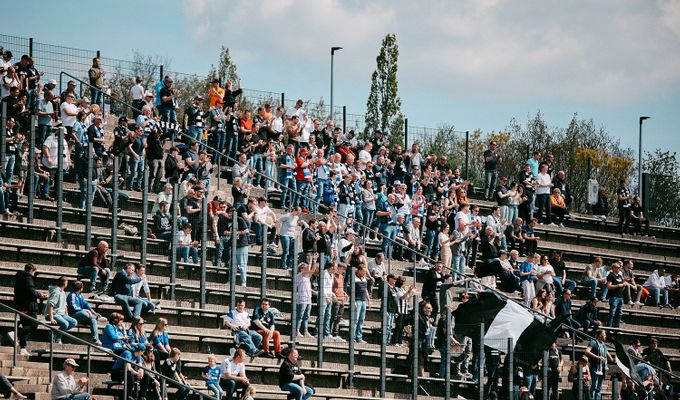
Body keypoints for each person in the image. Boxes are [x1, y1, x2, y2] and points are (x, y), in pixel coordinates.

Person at [12, 263, 46, 356]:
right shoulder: (28, 278)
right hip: (28, 306)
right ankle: (15, 333)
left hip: (21, 305)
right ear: (31, 271)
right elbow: (30, 292)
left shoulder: (20, 278)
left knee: (26, 326)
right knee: (33, 325)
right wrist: (39, 294)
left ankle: (23, 348)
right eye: (34, 272)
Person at [44, 276, 77, 344]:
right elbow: (50, 305)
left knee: (74, 322)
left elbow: (65, 305)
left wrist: (67, 315)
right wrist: (52, 318)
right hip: (54, 314)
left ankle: (55, 333)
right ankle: (58, 337)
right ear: (64, 283)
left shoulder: (63, 292)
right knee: (65, 324)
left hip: (62, 314)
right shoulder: (56, 292)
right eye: (67, 282)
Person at [584, 330, 613, 400]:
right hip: (595, 367)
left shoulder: (603, 344)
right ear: (600, 335)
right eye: (604, 334)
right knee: (594, 386)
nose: (605, 336)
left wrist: (612, 360)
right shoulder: (593, 342)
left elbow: (607, 353)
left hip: (602, 369)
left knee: (599, 388)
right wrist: (597, 357)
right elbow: (587, 351)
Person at [294, 262, 318, 339]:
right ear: (301, 269)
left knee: (306, 316)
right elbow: (310, 270)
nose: (307, 268)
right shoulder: (300, 275)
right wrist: (311, 260)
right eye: (305, 267)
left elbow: (313, 270)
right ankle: (297, 331)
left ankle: (305, 331)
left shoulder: (307, 276)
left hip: (308, 298)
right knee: (300, 316)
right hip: (301, 298)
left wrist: (314, 260)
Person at [353, 264, 372, 344]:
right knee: (355, 320)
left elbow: (365, 290)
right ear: (359, 270)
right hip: (357, 300)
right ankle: (353, 337)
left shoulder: (364, 278)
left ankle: (359, 337)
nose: (364, 273)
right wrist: (353, 301)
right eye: (363, 271)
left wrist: (369, 300)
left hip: (363, 301)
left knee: (361, 320)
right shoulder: (354, 278)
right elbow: (351, 290)